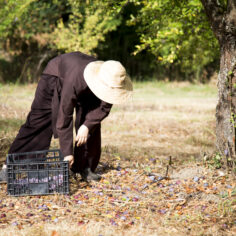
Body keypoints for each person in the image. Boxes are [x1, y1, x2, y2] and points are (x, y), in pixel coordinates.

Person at [0, 51, 133, 182]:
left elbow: (103, 108)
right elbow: (65, 114)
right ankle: (11, 166)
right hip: (57, 75)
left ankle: (83, 167)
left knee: (90, 124)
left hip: (78, 75)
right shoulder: (75, 80)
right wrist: (67, 152)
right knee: (39, 120)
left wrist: (87, 126)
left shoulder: (112, 78)